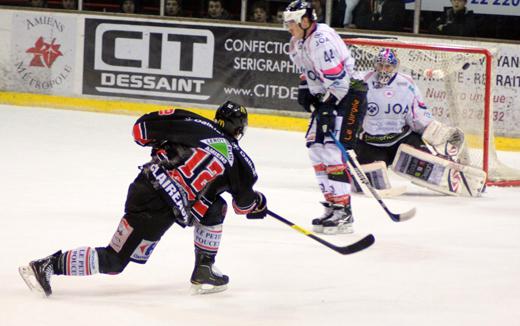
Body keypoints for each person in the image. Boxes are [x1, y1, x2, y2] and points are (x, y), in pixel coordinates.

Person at [18, 101, 268, 297]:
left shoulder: (192, 121)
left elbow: (140, 131)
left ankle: (204, 270)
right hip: (160, 210)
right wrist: (258, 202)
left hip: (147, 187)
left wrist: (160, 145)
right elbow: (243, 205)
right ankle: (47, 265)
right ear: (239, 129)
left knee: (215, 206)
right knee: (114, 260)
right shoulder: (243, 164)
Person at [283, 0, 367, 234]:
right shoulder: (298, 41)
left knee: (330, 149)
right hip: (331, 96)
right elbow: (307, 71)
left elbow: (340, 83)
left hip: (348, 94)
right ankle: (332, 204)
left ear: (306, 20)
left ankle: (344, 211)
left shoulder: (322, 41)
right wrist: (305, 89)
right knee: (315, 148)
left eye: (292, 22)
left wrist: (328, 106)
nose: (288, 26)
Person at [354, 48, 465, 189]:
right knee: (364, 184)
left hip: (401, 140)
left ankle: (455, 179)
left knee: (430, 168)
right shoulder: (361, 81)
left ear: (394, 66)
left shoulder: (406, 83)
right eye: (380, 65)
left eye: (387, 66)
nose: (383, 69)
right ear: (375, 65)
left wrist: (432, 130)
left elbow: (417, 113)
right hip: (370, 144)